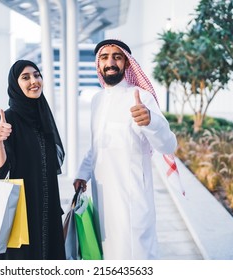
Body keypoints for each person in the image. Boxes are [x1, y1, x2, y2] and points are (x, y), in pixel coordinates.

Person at [73, 39, 178, 260]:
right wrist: (82, 174)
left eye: (117, 57)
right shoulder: (97, 100)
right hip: (101, 197)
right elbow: (96, 145)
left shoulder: (142, 97)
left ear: (127, 64)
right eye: (104, 57)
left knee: (135, 255)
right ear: (98, 65)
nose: (110, 62)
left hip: (132, 200)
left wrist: (150, 122)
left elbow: (168, 145)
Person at [0, 60, 65, 260]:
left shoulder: (43, 116)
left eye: (37, 75)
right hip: (22, 209)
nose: (34, 81)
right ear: (15, 83)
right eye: (25, 77)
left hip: (47, 207)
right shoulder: (9, 118)